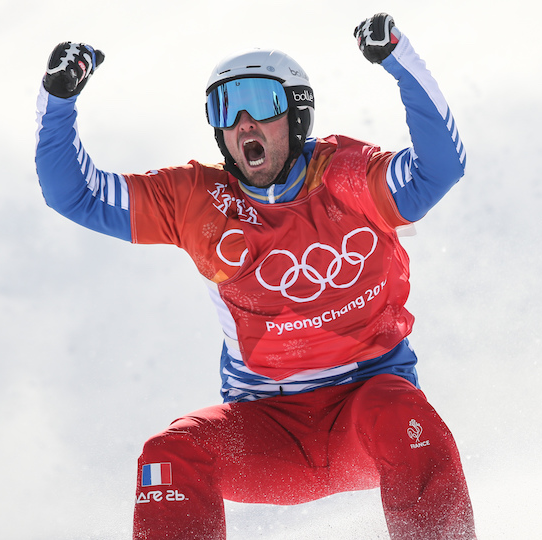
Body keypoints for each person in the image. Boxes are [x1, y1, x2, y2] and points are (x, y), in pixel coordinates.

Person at [35, 12, 476, 540]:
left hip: (367, 412)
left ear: (297, 114)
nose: (242, 120)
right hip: (267, 430)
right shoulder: (196, 200)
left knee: (402, 414)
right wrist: (58, 99)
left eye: (261, 103)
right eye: (225, 106)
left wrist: (399, 58)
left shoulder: (347, 176)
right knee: (168, 455)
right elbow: (74, 194)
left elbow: (441, 167)